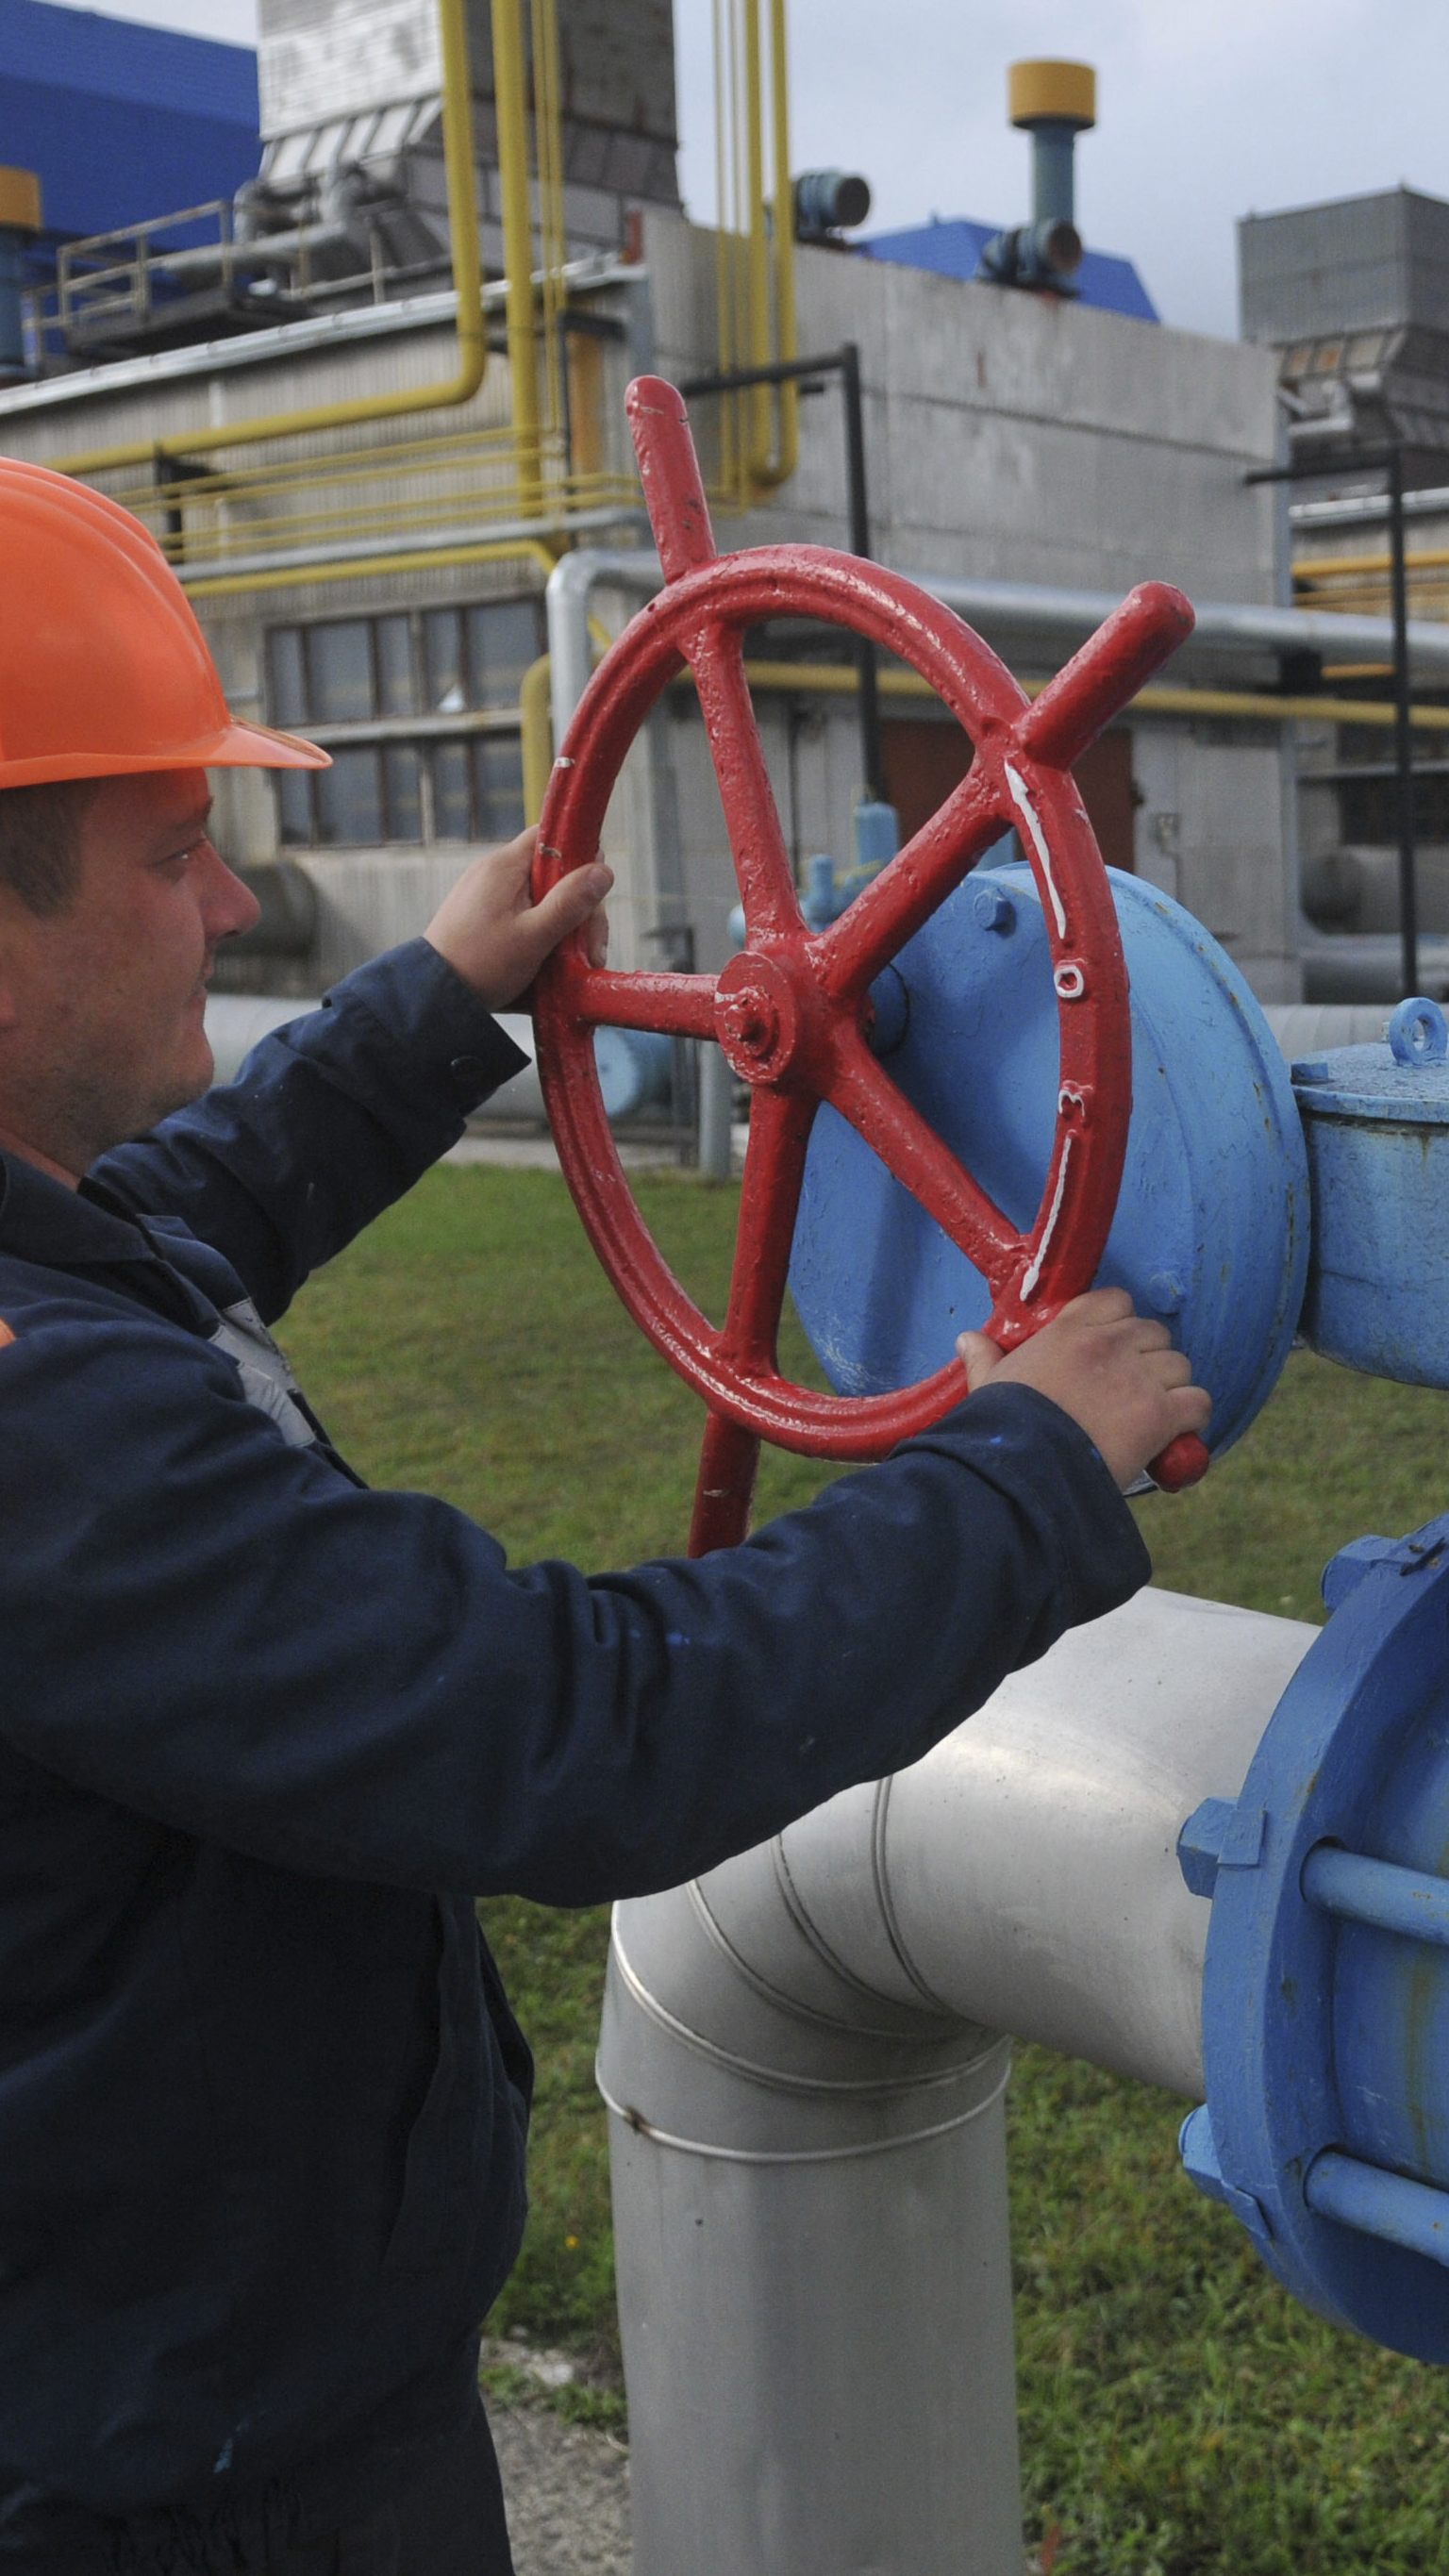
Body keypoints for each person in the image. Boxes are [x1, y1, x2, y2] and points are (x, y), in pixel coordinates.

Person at [0, 460, 1209, 2576]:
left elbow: (186, 1223)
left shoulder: (56, 1273)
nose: (230, 912)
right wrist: (1018, 1472)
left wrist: (437, 1005)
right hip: (191, 2487)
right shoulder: (43, 1433)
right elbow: (568, 1731)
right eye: (178, 853)